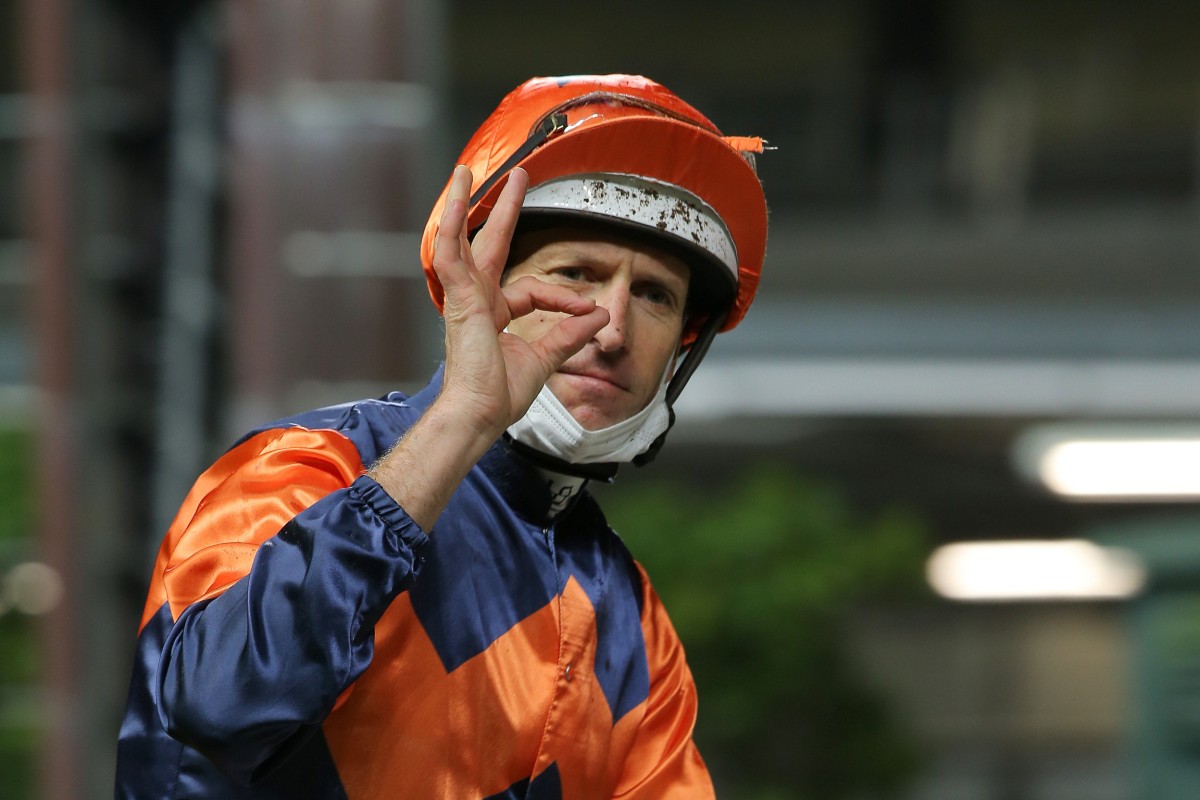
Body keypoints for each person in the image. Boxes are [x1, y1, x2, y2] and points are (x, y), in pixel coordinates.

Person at [116, 74, 768, 799]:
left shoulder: (631, 619)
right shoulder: (298, 469)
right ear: (483, 291)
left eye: (654, 296)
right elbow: (217, 703)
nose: (613, 331)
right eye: (576, 276)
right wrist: (463, 417)